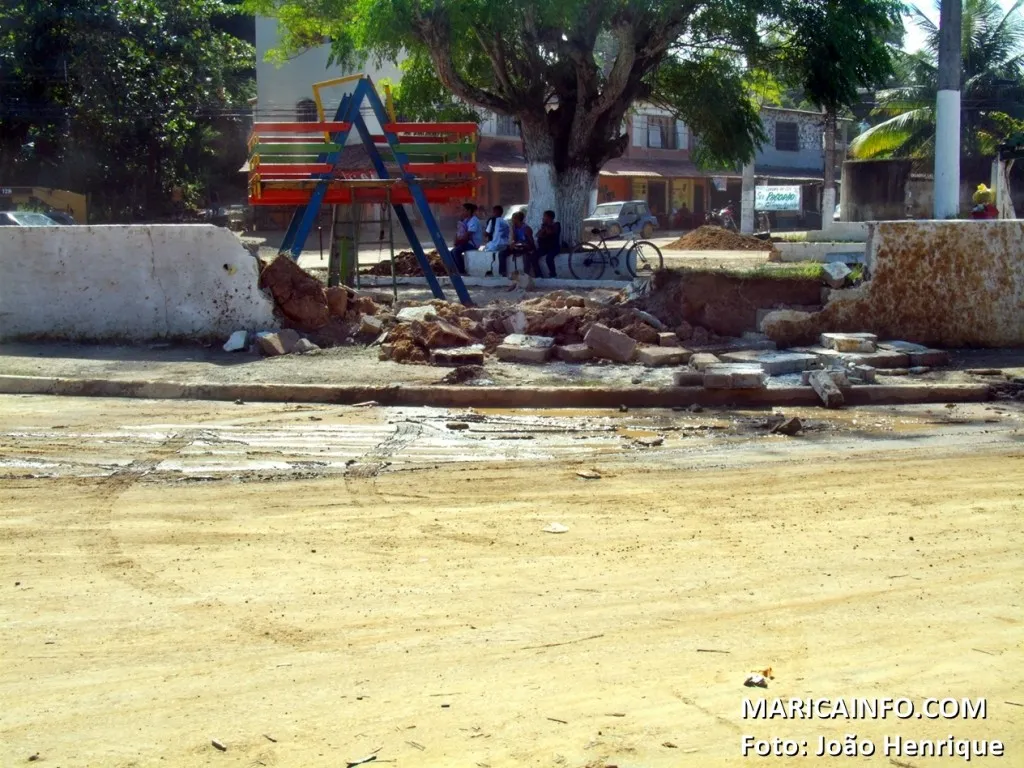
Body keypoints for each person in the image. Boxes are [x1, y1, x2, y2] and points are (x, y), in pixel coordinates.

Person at [501, 210, 537, 277]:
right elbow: (514, 240)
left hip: (526, 247)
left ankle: (526, 274)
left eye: (513, 218)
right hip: (518, 246)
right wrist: (512, 232)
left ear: (517, 219)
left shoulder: (526, 229)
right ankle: (502, 272)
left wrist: (530, 248)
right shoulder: (514, 228)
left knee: (526, 256)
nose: (512, 220)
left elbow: (531, 242)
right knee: (502, 253)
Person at [450, 203, 482, 274]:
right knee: (451, 252)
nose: (462, 212)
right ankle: (456, 270)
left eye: (464, 210)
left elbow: (468, 234)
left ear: (469, 211)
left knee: (456, 251)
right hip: (466, 243)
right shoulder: (466, 220)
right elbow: (459, 231)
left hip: (473, 244)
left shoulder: (474, 220)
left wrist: (459, 240)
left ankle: (461, 271)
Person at [480, 206, 511, 275]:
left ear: (496, 212)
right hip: (505, 245)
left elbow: (486, 234)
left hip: (495, 245)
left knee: (483, 250)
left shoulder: (492, 221)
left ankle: (489, 270)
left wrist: (483, 232)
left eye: (493, 211)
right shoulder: (506, 221)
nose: (492, 213)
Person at [535, 210, 561, 278]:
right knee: (533, 256)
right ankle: (539, 275)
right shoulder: (544, 226)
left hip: (554, 247)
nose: (542, 218)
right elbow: (538, 235)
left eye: (544, 216)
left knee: (549, 258)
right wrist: (544, 228)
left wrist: (546, 226)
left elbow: (550, 232)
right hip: (544, 248)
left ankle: (553, 275)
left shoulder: (556, 224)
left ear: (549, 218)